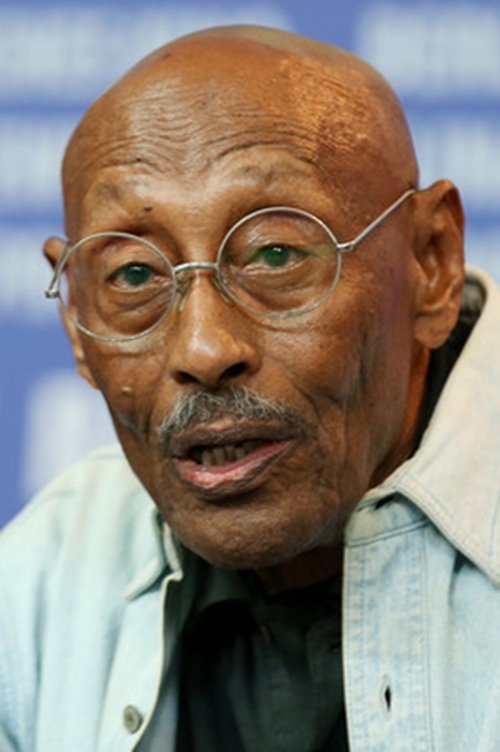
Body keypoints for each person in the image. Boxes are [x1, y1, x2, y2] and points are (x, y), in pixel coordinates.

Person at [1, 23, 499, 752]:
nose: (204, 349)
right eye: (134, 275)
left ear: (430, 264)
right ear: (77, 319)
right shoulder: (34, 591)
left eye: (274, 255)